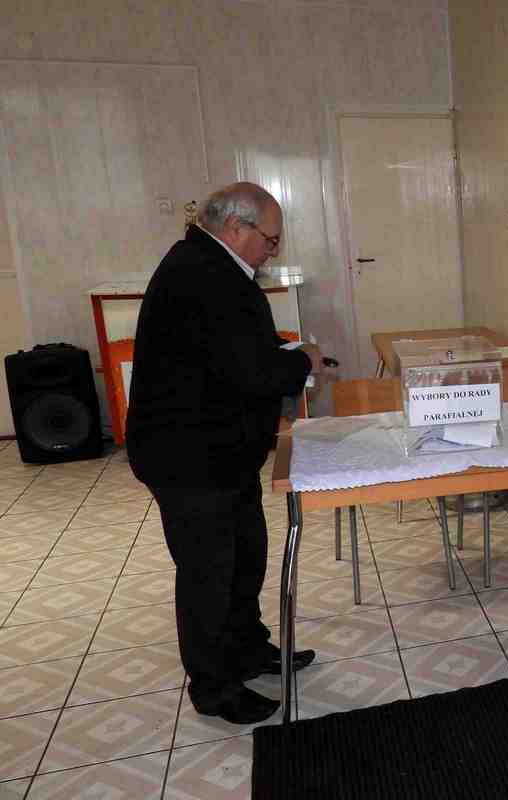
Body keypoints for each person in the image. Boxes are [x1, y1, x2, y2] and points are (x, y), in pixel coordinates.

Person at [126, 182, 322, 724]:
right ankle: (214, 687)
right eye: (271, 240)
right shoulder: (204, 275)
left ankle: (247, 649)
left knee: (244, 557)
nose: (273, 251)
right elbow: (250, 371)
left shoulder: (212, 265)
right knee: (208, 575)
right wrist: (303, 360)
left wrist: (281, 352)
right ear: (236, 227)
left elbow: (234, 350)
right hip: (190, 460)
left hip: (220, 455)